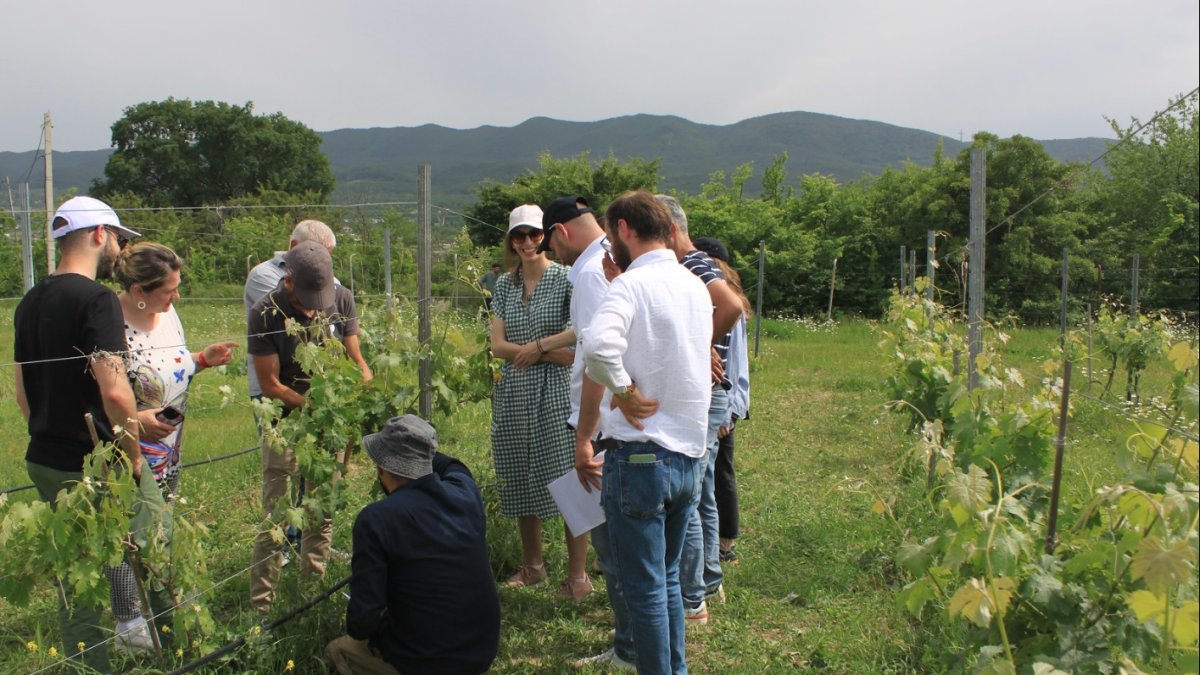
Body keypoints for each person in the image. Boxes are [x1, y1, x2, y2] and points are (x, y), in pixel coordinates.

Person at [13, 196, 168, 670]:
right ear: (99, 234)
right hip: (97, 457)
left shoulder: (31, 299)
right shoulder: (96, 299)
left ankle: (87, 664)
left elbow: (21, 388)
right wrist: (132, 451)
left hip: (45, 455)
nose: (120, 248)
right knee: (158, 552)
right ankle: (180, 650)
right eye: (119, 238)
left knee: (78, 575)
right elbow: (116, 389)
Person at [578, 190, 712, 674]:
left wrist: (625, 389)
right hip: (688, 459)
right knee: (670, 581)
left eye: (612, 233)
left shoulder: (630, 286)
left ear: (625, 230)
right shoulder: (693, 284)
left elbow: (596, 345)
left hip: (639, 459)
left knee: (646, 588)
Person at [103, 242, 237, 643]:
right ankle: (128, 622)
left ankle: (161, 609)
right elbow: (102, 393)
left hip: (170, 447)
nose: (177, 297)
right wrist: (136, 422)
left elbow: (170, 368)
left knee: (161, 530)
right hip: (130, 449)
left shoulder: (168, 314)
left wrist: (200, 359)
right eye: (169, 290)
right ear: (139, 291)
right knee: (127, 533)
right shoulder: (108, 323)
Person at [247, 241, 372, 613]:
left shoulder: (342, 299)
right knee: (278, 513)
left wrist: (360, 386)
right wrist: (314, 409)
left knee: (322, 507)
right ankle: (261, 607)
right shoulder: (265, 312)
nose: (315, 306)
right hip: (286, 424)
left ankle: (309, 595)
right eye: (307, 298)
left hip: (328, 423)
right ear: (289, 281)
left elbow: (356, 359)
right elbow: (271, 385)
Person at [325, 415, 500, 675]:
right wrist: (419, 448)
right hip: (480, 653)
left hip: (425, 662)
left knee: (337, 651)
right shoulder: (465, 492)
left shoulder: (377, 520)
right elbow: (453, 465)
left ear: (381, 469)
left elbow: (362, 622)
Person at [539, 195, 635, 669]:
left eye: (551, 243)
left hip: (602, 423)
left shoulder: (592, 273)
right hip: (605, 418)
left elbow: (602, 352)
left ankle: (629, 644)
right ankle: (634, 633)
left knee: (612, 538)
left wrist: (591, 428)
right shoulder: (605, 263)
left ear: (560, 232)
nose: (554, 255)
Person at [489, 204, 592, 601]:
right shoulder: (505, 285)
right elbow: (497, 346)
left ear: (546, 236)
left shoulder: (567, 278)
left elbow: (579, 332)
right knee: (518, 472)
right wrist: (545, 352)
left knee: (567, 477)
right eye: (519, 236)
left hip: (557, 393)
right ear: (511, 241)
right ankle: (533, 565)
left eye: (534, 234)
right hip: (515, 390)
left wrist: (536, 348)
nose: (528, 242)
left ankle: (578, 575)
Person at [657, 195, 743, 626]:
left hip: (705, 395)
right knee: (701, 491)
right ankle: (708, 580)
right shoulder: (693, 265)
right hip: (711, 395)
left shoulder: (692, 265)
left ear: (669, 230)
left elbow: (731, 307)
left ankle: (694, 600)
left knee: (687, 498)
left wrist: (696, 343)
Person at [693, 236, 751, 564]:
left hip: (723, 399)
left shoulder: (731, 307)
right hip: (716, 398)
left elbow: (737, 364)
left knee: (720, 472)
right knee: (711, 473)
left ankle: (725, 541)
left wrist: (731, 409)